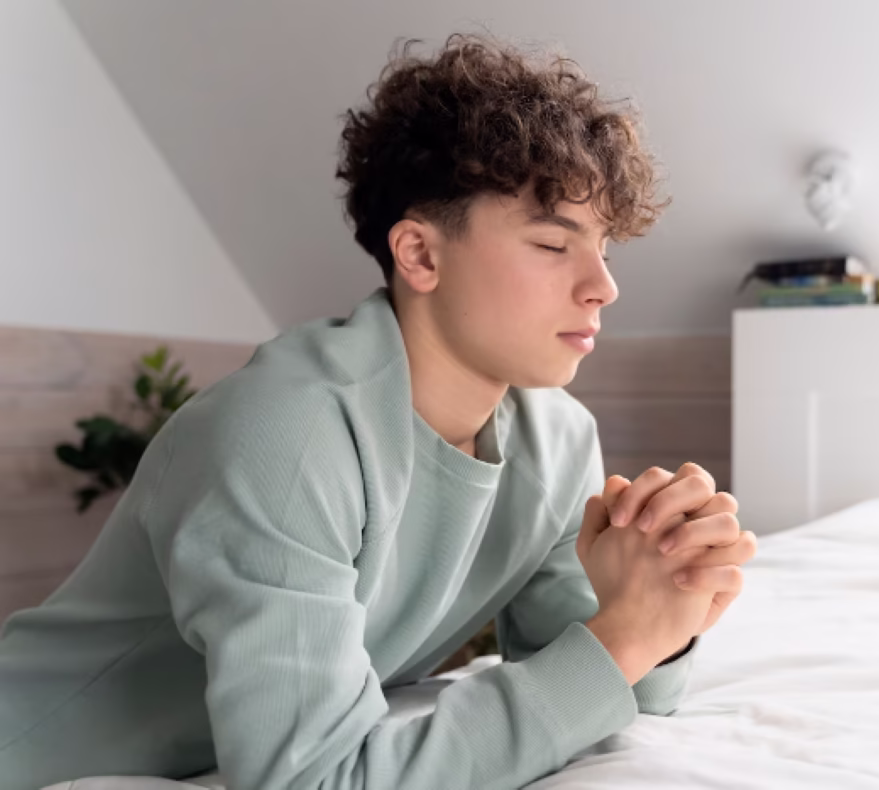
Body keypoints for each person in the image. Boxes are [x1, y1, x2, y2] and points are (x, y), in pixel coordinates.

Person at [0, 33, 757, 790]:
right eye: (553, 244)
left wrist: (666, 606)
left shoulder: (559, 440)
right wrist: (623, 636)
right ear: (421, 255)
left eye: (605, 249)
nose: (603, 287)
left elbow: (599, 681)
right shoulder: (286, 437)